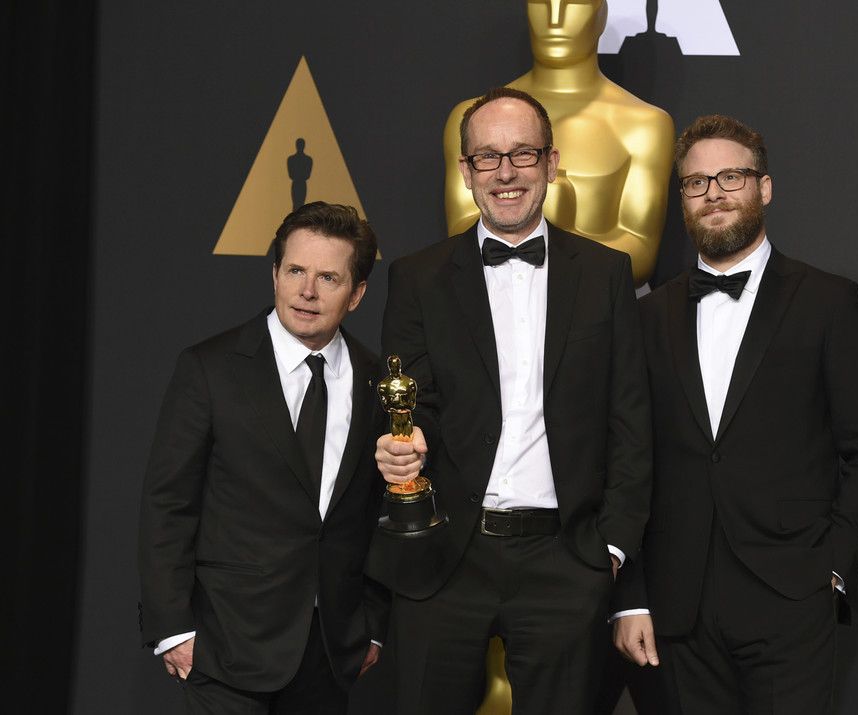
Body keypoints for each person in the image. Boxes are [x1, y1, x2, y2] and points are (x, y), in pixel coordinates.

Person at [368, 87, 651, 715]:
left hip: (564, 559)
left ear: (552, 163)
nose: (506, 172)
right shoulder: (416, 278)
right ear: (466, 171)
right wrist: (406, 447)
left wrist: (609, 550)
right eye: (488, 157)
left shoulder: (605, 273)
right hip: (446, 557)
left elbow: (630, 419)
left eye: (522, 153)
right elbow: (414, 405)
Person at [613, 115, 858, 713]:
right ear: (682, 199)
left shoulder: (828, 302)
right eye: (696, 183)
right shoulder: (646, 317)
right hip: (673, 609)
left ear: (764, 188)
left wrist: (833, 571)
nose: (714, 193)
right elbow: (625, 461)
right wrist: (631, 596)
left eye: (731, 177)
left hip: (791, 596)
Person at [138, 201, 388, 714]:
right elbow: (168, 504)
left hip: (330, 651)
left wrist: (374, 627)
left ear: (357, 293)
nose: (307, 291)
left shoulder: (376, 379)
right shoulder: (210, 368)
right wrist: (172, 629)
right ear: (275, 273)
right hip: (225, 646)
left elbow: (379, 513)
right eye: (295, 271)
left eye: (328, 278)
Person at [442, 0, 675, 287]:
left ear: (601, 13)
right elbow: (458, 237)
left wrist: (556, 234)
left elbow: (640, 252)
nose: (554, 19)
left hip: (595, 307)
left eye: (574, 3)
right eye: (541, 3)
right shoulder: (472, 120)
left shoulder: (645, 125)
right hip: (485, 299)